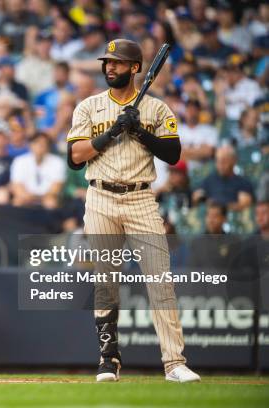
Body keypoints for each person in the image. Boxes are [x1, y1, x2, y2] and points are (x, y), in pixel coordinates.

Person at [67, 39, 200, 383]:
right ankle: (108, 360)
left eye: (118, 62)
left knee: (160, 281)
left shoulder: (156, 110)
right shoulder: (89, 107)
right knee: (106, 282)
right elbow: (75, 158)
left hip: (141, 198)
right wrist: (111, 133)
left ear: (135, 68)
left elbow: (173, 154)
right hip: (100, 197)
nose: (110, 67)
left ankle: (174, 364)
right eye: (107, 62)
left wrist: (138, 130)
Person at [11, 132, 64, 209]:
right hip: (26, 197)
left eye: (44, 143)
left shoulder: (58, 162)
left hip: (47, 198)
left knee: (51, 203)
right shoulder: (19, 161)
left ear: (48, 146)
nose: (40, 146)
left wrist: (40, 198)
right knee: (17, 202)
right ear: (30, 145)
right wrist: (27, 197)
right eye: (37, 142)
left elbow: (56, 187)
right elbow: (17, 185)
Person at [193, 145, 255, 211]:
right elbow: (196, 196)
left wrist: (220, 206)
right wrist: (204, 200)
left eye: (224, 161)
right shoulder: (210, 179)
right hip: (211, 215)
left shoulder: (242, 182)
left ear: (233, 161)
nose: (220, 164)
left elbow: (244, 204)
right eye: (218, 161)